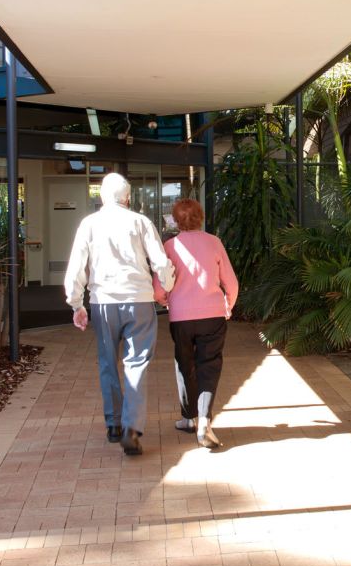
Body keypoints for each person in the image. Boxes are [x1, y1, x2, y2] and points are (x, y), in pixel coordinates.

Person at [64, 173, 174, 456]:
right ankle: (131, 428)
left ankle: (113, 425)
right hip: (139, 301)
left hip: (103, 302)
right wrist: (167, 287)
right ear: (128, 198)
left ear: (101, 196)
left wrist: (77, 303)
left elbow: (77, 265)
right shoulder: (141, 222)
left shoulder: (89, 224)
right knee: (136, 364)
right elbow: (161, 262)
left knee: (107, 363)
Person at [153, 198, 238, 449]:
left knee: (184, 363)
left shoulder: (170, 246)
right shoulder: (214, 242)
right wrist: (228, 306)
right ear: (201, 217)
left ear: (176, 221)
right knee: (209, 366)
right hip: (212, 315)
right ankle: (204, 421)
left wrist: (165, 301)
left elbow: (160, 288)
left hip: (181, 317)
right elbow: (231, 283)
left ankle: (188, 418)